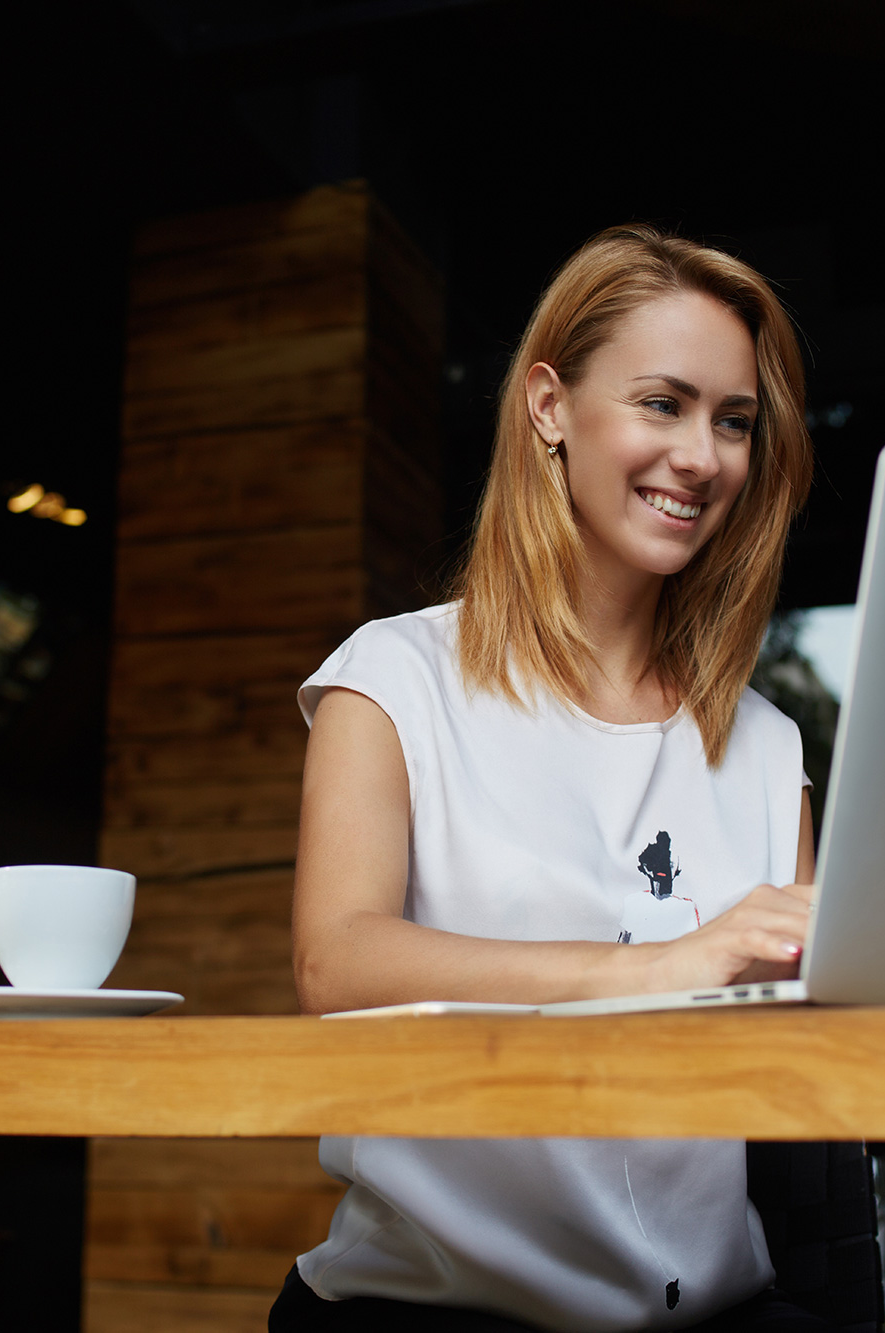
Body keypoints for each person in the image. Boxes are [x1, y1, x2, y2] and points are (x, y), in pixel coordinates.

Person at [269, 226, 826, 1331]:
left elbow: (808, 1049)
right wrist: (663, 967)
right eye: (661, 403)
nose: (702, 456)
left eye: (732, 421)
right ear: (547, 409)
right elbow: (336, 959)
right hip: (429, 1315)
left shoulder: (765, 748)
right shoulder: (393, 677)